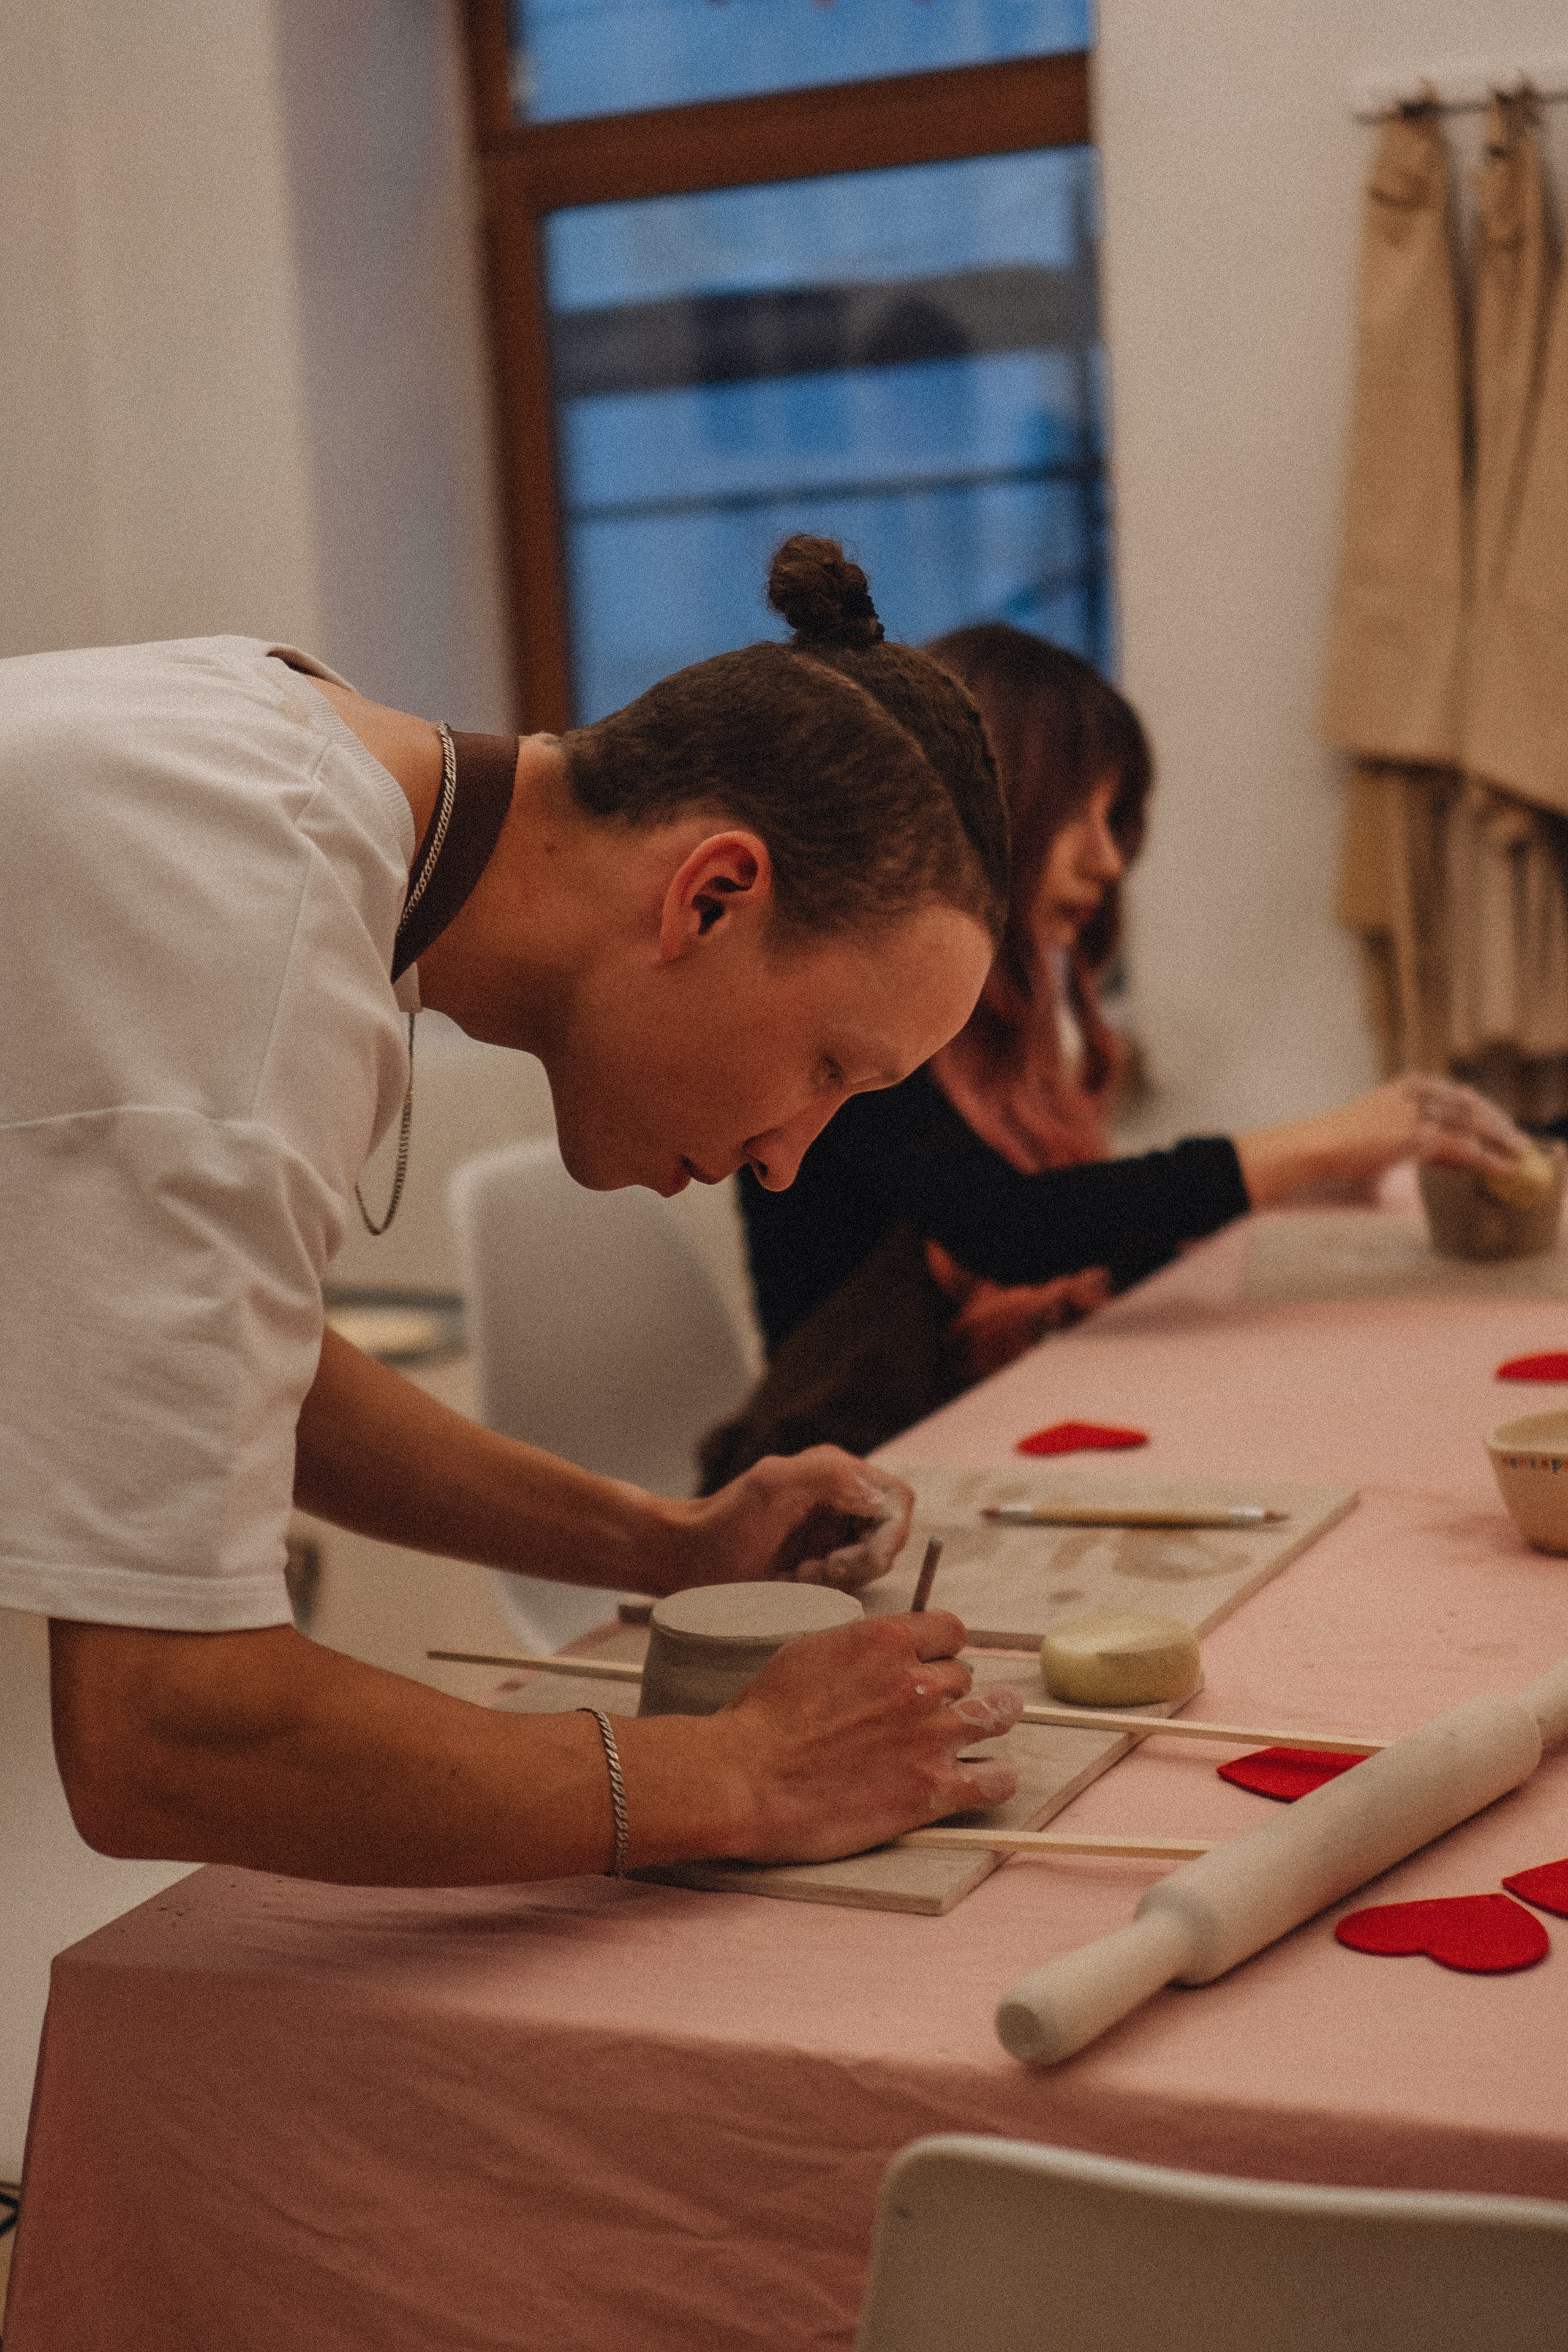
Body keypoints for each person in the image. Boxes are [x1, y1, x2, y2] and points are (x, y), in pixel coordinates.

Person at [2, 537, 1027, 1888]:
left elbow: (224, 1374)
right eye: (830, 1068)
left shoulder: (303, 772)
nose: (789, 1157)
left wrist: (660, 1545)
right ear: (710, 898)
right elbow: (166, 1735)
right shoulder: (252, 949)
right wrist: (733, 1774)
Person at [704, 624, 1530, 1478]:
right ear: (982, 815)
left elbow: (1094, 1238)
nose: (1108, 859)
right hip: (838, 1481)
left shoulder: (1005, 1042)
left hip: (970, 1441)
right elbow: (1014, 1228)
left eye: (1114, 819)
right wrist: (1320, 1143)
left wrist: (1308, 1183)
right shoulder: (849, 1032)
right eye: (1076, 816)